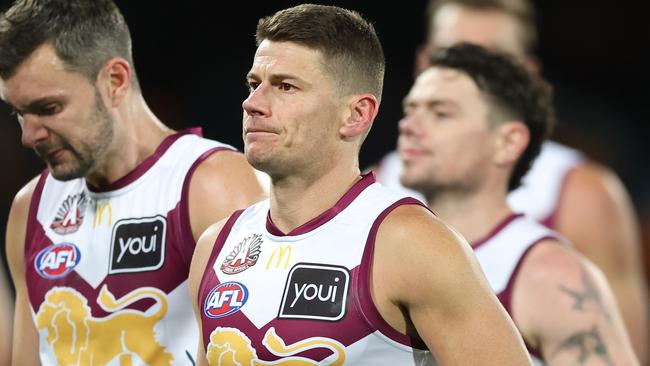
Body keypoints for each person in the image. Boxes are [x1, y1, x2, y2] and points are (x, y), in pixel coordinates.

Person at [188, 4, 533, 366]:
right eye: (254, 84)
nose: (252, 103)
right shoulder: (218, 245)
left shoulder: (410, 243)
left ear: (356, 115)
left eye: (285, 87)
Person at [374, 0, 649, 361]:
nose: (463, 77)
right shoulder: (370, 188)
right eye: (451, 56)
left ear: (526, 75)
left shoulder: (579, 197)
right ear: (423, 63)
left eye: (490, 63)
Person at [0, 0, 265, 364]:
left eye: (48, 109)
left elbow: (252, 348)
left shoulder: (211, 184)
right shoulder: (31, 207)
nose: (29, 136)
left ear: (115, 81)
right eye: (19, 113)